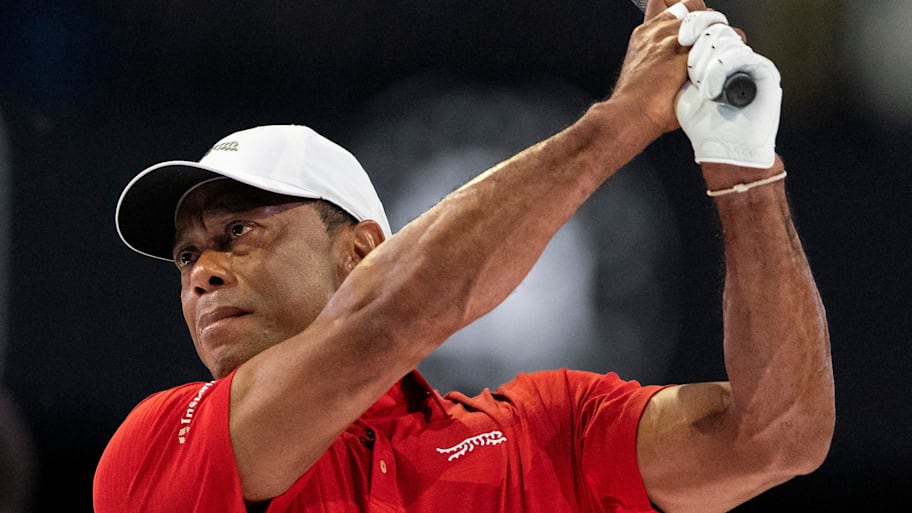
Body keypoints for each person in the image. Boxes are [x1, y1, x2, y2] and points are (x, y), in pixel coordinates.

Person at [94, 1, 835, 512]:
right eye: (186, 255)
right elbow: (389, 321)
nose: (202, 273)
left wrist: (743, 168)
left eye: (237, 234)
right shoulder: (157, 446)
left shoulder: (541, 433)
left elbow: (779, 436)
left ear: (358, 252)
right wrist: (622, 118)